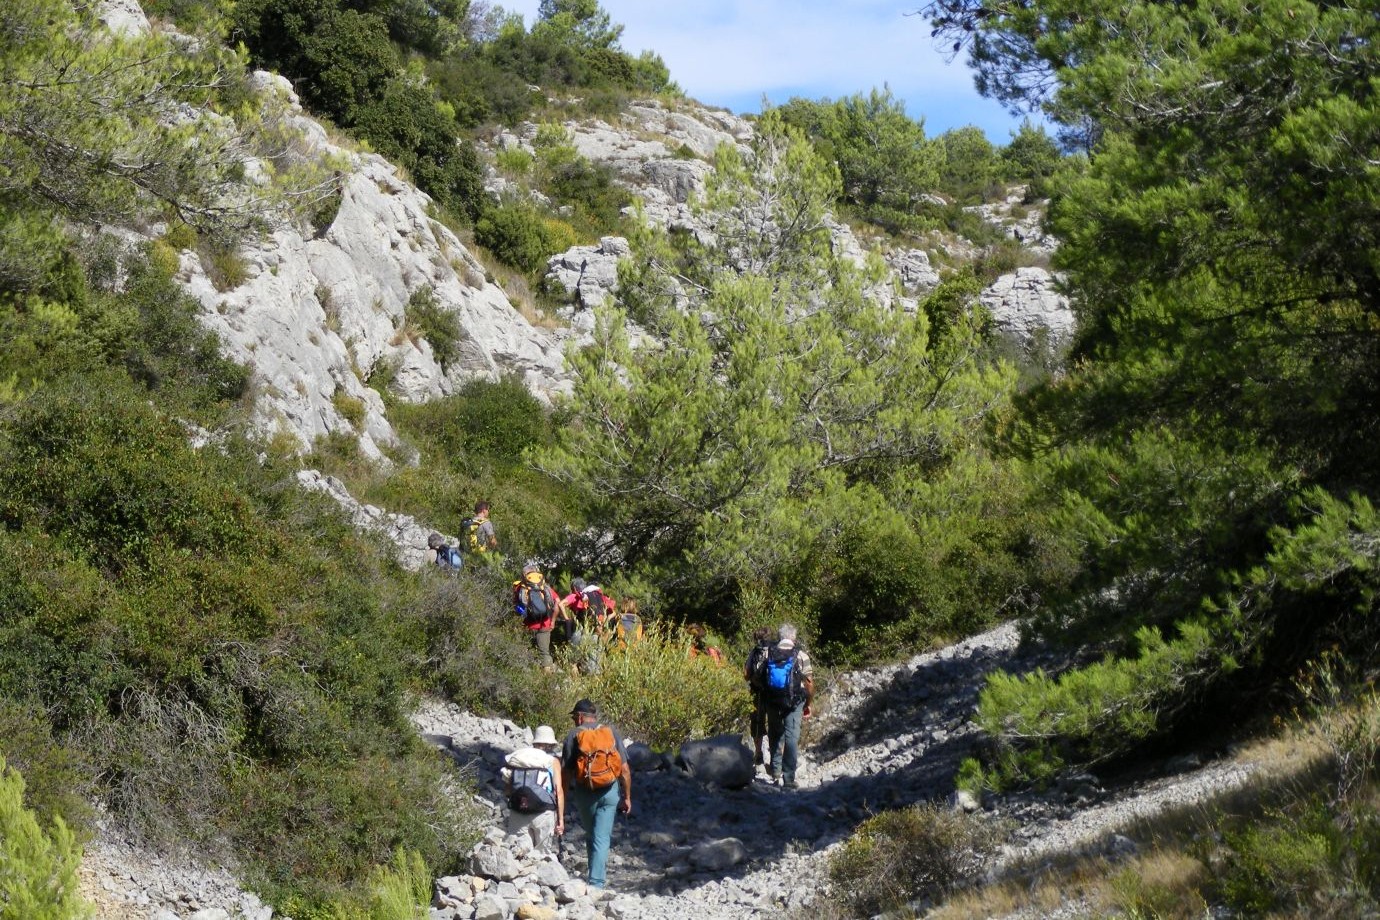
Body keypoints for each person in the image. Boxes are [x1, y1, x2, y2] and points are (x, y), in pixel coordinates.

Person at [561, 699, 631, 890]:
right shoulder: (611, 733)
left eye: (575, 717)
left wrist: (563, 797)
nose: (575, 721)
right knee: (600, 837)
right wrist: (627, 797)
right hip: (610, 791)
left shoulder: (574, 735)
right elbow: (624, 769)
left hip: (586, 792)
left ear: (581, 717)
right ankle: (595, 878)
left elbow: (566, 772)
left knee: (593, 834)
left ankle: (595, 883)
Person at [759, 623, 814, 788]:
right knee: (792, 737)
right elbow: (810, 684)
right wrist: (808, 703)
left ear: (780, 637)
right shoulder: (801, 655)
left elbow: (757, 677)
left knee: (775, 733)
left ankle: (775, 770)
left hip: (772, 699)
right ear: (793, 638)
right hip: (794, 702)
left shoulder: (768, 653)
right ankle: (788, 778)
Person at [501, 725, 565, 853]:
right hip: (544, 812)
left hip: (518, 811)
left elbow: (508, 790)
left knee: (517, 852)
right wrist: (560, 820)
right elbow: (558, 791)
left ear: (535, 742)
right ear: (550, 744)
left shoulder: (517, 757)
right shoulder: (552, 761)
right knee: (542, 855)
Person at [513, 563, 562, 668]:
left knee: (525, 651)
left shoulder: (519, 588)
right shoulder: (544, 587)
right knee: (544, 653)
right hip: (545, 624)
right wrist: (553, 621)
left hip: (527, 626)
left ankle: (530, 677)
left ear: (524, 575)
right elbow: (558, 603)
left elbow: (516, 607)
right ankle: (547, 677)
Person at [744, 626, 776, 766]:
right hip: (775, 693)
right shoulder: (777, 650)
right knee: (776, 723)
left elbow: (746, 674)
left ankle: (758, 753)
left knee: (757, 722)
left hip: (757, 692)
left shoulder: (754, 652)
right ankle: (776, 756)